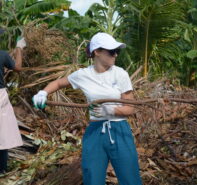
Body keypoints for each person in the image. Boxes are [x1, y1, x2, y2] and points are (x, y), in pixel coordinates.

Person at [32, 32, 142, 185]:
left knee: (130, 178)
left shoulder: (120, 74)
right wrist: (43, 92)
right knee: (92, 178)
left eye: (117, 51)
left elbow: (130, 108)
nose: (115, 55)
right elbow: (58, 83)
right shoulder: (83, 75)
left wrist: (111, 110)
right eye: (111, 51)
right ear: (97, 52)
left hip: (119, 130)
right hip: (95, 132)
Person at [0, 32, 26, 174]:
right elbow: (18, 67)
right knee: (2, 135)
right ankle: (2, 170)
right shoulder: (2, 55)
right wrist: (19, 49)